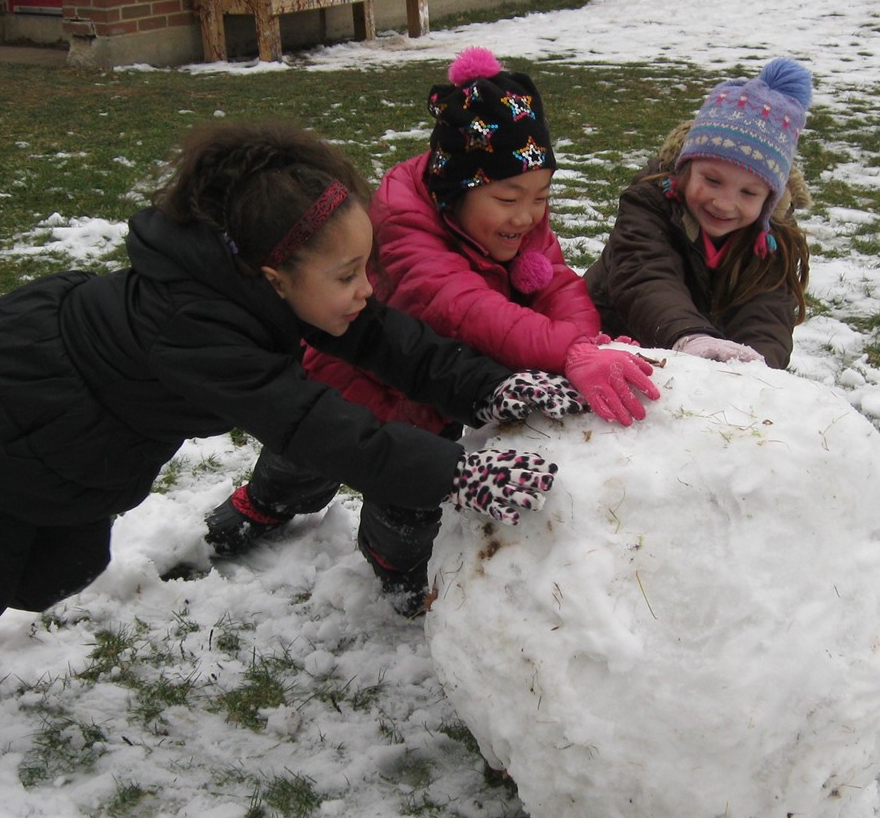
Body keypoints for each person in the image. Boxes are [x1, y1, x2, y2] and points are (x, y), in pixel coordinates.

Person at [0, 120, 583, 770]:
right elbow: (321, 429)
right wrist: (462, 471)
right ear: (274, 278)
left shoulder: (274, 283)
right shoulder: (196, 329)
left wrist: (487, 390)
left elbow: (391, 340)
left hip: (68, 430)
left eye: (364, 266)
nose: (363, 290)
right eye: (346, 275)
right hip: (14, 412)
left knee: (57, 570)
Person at [203, 47, 658, 616]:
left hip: (437, 391)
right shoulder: (406, 227)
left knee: (410, 499)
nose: (528, 216)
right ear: (456, 189)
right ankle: (265, 502)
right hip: (356, 381)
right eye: (509, 198)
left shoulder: (516, 226)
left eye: (541, 197)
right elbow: (464, 309)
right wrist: (569, 350)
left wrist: (584, 342)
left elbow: (556, 282)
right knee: (306, 458)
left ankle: (395, 568)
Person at [583, 58, 814, 370]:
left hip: (700, 362)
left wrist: (758, 366)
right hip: (614, 344)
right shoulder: (650, 205)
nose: (724, 203)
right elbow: (646, 275)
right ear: (686, 169)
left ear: (770, 200)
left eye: (748, 193)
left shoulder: (771, 237)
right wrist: (690, 336)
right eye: (712, 180)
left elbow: (767, 311)